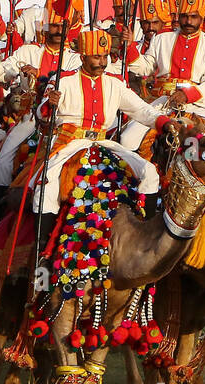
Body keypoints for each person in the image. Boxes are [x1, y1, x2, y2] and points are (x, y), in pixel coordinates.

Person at [28, 29, 175, 246]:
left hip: (103, 142)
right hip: (68, 143)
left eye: (105, 56)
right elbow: (42, 114)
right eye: (97, 57)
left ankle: (144, 237)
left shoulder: (114, 84)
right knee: (46, 185)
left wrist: (166, 123)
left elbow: (141, 110)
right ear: (83, 57)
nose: (102, 62)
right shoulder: (63, 80)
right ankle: (42, 249)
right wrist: (49, 104)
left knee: (150, 172)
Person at [0, 3, 84, 200]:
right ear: (45, 27)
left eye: (62, 26)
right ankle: (1, 208)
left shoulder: (74, 58)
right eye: (54, 26)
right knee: (2, 159)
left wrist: (39, 74)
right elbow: (1, 72)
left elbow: (71, 80)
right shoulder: (27, 52)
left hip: (63, 120)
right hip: (30, 117)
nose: (59, 30)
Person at [118, 0, 205, 149]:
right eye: (184, 16)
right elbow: (145, 68)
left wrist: (187, 94)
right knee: (128, 139)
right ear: (178, 16)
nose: (188, 21)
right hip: (164, 103)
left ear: (201, 18)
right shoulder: (162, 38)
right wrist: (130, 47)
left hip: (199, 104)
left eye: (193, 17)